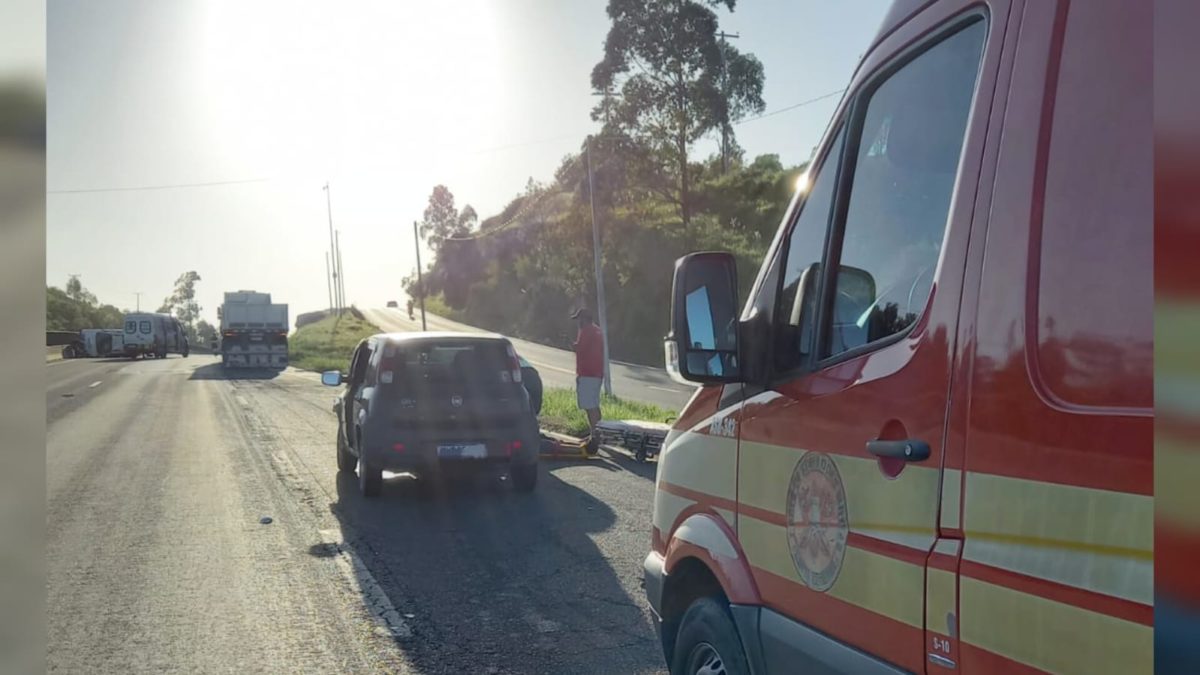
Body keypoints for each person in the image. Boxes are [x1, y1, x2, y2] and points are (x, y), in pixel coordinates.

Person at [571, 307, 604, 455]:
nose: (578, 322)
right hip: (596, 372)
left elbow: (580, 349)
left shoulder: (586, 331)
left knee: (589, 406)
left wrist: (571, 344)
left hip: (587, 373)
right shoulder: (596, 330)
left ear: (584, 319)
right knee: (594, 404)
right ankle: (598, 432)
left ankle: (594, 435)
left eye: (579, 319)